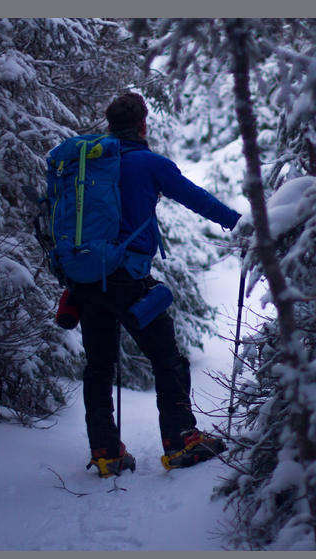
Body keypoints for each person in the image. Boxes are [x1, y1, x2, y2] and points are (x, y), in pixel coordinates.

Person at [74, 92, 241, 477]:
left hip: (83, 280)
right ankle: (181, 441)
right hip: (127, 279)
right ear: (143, 125)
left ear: (110, 125)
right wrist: (238, 222)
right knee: (167, 358)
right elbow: (195, 197)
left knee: (99, 365)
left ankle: (105, 452)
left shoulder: (85, 164)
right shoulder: (147, 162)